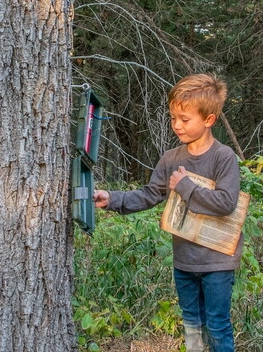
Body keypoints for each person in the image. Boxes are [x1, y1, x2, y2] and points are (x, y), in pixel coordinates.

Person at [93, 74, 241, 352]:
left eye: (185, 119)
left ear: (209, 120)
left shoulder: (224, 157)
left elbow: (225, 203)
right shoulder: (171, 158)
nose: (177, 125)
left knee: (218, 325)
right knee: (192, 325)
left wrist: (184, 186)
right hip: (184, 261)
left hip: (217, 262)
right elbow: (150, 194)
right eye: (173, 118)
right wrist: (112, 199)